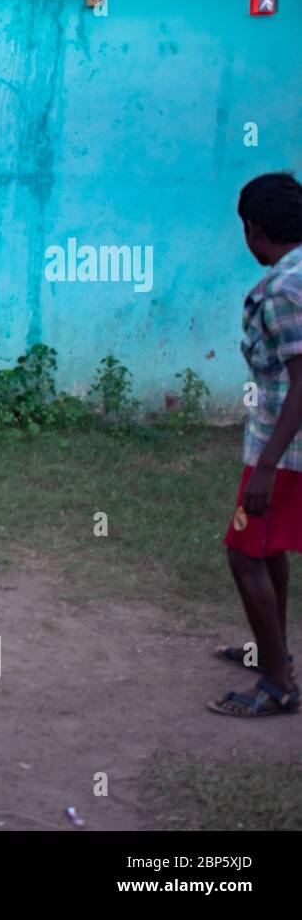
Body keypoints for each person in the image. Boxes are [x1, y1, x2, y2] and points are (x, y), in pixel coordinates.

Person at [209, 171, 302, 718]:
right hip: (282, 448)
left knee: (244, 552)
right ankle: (276, 654)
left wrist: (266, 467)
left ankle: (277, 684)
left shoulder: (280, 291)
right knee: (267, 547)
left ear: (254, 229)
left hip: (283, 452)